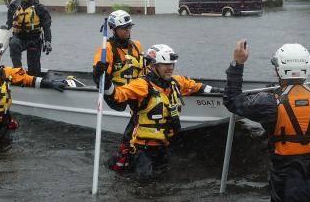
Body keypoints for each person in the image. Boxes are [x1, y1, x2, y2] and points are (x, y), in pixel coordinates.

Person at [223, 40, 310, 202]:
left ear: (278, 70)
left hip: (290, 180)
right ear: (307, 68)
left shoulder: (269, 103)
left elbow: (233, 100)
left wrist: (237, 63)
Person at [94, 44, 223, 179]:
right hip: (142, 150)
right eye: (165, 64)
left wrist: (220, 92)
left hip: (163, 148)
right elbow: (117, 96)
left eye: (172, 64)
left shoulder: (176, 83)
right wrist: (104, 82)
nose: (170, 68)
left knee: (165, 178)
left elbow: (196, 86)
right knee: (145, 182)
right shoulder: (142, 85)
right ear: (153, 66)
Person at [92, 10, 146, 171]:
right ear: (113, 29)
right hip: (117, 96)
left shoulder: (136, 45)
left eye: (129, 27)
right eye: (123, 28)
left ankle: (135, 144)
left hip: (136, 91)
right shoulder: (106, 49)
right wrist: (98, 72)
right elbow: (99, 81)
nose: (127, 31)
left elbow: (144, 70)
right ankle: (126, 149)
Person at [6, 0, 52, 76]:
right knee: (14, 43)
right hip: (19, 38)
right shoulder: (14, 5)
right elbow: (9, 23)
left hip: (34, 39)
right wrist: (5, 27)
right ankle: (18, 73)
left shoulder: (40, 8)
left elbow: (47, 27)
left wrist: (48, 41)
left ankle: (34, 78)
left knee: (34, 71)